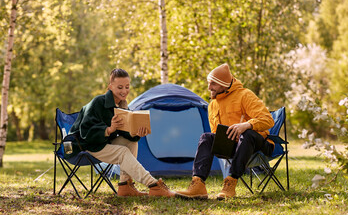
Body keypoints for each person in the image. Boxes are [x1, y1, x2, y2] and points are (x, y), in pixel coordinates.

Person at [69, 68, 175, 197]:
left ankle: (125, 186)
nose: (124, 91)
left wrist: (136, 133)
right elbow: (85, 132)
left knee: (131, 142)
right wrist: (109, 129)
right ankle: (153, 185)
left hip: (104, 143)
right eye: (120, 87)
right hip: (86, 144)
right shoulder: (98, 102)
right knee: (122, 152)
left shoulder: (123, 106)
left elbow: (126, 133)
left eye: (127, 87)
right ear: (110, 87)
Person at [175, 63, 275, 199]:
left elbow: (268, 120)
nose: (209, 87)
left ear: (224, 84)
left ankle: (230, 183)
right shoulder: (212, 105)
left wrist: (246, 125)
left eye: (213, 84)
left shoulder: (245, 95)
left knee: (246, 134)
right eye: (209, 83)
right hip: (233, 147)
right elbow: (216, 133)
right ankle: (198, 184)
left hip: (260, 144)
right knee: (206, 137)